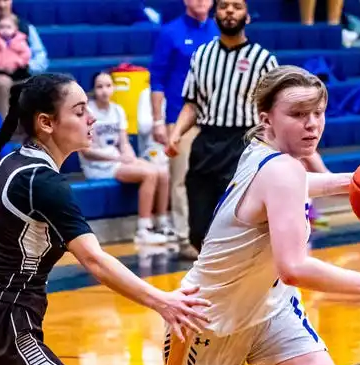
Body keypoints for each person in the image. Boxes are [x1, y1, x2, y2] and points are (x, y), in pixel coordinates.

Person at [164, 65, 360, 365]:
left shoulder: (260, 151)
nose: (312, 124)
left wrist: (354, 182)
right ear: (267, 118)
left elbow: (294, 183)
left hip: (269, 311)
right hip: (208, 322)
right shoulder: (281, 168)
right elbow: (294, 268)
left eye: (318, 113)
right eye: (298, 115)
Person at [0, 73, 212, 365]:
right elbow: (94, 260)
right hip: (6, 332)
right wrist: (163, 302)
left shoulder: (4, 166)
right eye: (79, 111)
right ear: (46, 123)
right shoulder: (43, 182)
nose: (92, 119)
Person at [167, 0, 279, 253]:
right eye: (224, 6)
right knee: (198, 230)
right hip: (206, 142)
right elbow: (192, 103)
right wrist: (176, 134)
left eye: (237, 6)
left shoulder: (264, 60)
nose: (229, 11)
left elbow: (274, 110)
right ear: (215, 14)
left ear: (247, 16)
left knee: (232, 224)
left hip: (244, 144)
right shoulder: (202, 55)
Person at [149, 0, 219, 259]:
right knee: (181, 179)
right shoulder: (170, 32)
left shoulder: (218, 30)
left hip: (216, 118)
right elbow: (157, 79)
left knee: (214, 178)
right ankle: (184, 238)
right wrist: (158, 120)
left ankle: (212, 236)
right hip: (179, 118)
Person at [80, 71, 176, 245]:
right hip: (97, 165)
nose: (104, 90)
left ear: (113, 88)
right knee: (149, 174)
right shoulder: (89, 113)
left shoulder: (117, 110)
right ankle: (143, 229)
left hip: (116, 160)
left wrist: (129, 155)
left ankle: (162, 223)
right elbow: (86, 151)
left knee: (162, 171)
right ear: (93, 90)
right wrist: (113, 157)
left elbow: (124, 142)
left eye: (108, 86)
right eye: (100, 86)